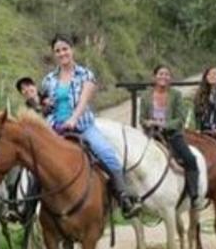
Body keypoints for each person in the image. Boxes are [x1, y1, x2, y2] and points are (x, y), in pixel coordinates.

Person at [40, 34, 141, 216]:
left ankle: (124, 198)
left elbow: (84, 101)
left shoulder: (85, 74)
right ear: (54, 54)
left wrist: (73, 120)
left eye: (65, 49)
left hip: (82, 125)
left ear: (72, 50)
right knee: (35, 160)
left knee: (106, 153)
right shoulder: (48, 80)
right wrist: (45, 106)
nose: (62, 53)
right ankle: (26, 209)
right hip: (55, 128)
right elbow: (47, 107)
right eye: (58, 51)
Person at [138, 64, 201, 208]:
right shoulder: (146, 96)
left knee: (190, 159)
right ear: (154, 77)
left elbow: (180, 119)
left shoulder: (176, 95)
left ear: (170, 78)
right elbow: (141, 118)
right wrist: (147, 123)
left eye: (167, 74)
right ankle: (135, 196)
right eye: (161, 74)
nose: (163, 77)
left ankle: (193, 193)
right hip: (151, 136)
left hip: (172, 135)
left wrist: (164, 125)